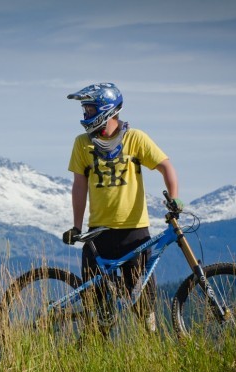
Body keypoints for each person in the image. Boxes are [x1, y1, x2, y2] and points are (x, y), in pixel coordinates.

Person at [61, 82, 182, 333]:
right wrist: (76, 225)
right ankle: (95, 350)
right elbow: (79, 186)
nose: (85, 115)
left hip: (134, 232)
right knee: (98, 305)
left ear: (106, 109)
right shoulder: (82, 143)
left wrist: (174, 198)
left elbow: (165, 166)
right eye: (84, 110)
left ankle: (149, 348)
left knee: (143, 301)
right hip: (99, 232)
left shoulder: (135, 139)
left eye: (89, 109)